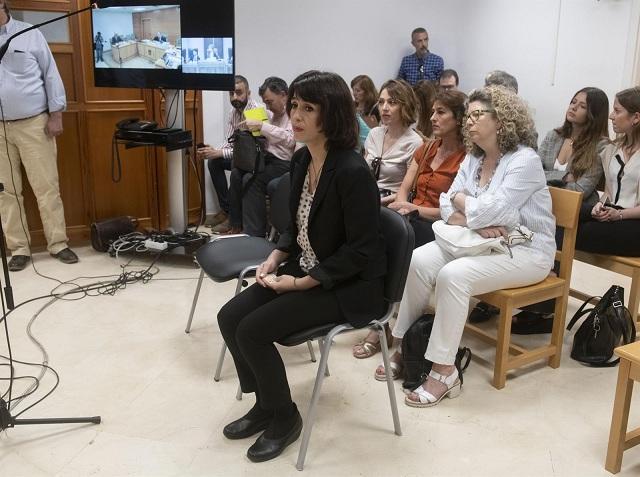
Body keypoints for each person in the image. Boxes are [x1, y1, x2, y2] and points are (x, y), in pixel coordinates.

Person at [217, 70, 386, 462]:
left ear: (334, 115)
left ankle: (286, 418)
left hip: (347, 284)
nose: (295, 115)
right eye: (294, 105)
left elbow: (362, 251)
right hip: (306, 266)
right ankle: (266, 403)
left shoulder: (352, 171)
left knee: (253, 331)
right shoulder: (301, 159)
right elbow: (294, 228)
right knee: (231, 317)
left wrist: (302, 283)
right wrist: (275, 256)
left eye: (308, 108)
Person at [375, 86, 556, 408]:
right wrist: (467, 212)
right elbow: (448, 203)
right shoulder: (475, 157)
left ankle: (444, 371)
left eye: (477, 115)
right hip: (479, 241)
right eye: (468, 115)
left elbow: (487, 212)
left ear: (501, 121)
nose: (468, 122)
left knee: (453, 276)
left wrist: (465, 209)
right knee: (417, 260)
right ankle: (403, 345)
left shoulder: (524, 160)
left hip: (526, 250)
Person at [353, 89, 467, 359]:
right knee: (380, 230)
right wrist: (402, 205)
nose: (433, 118)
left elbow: (454, 212)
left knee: (396, 241)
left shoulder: (466, 158)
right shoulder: (426, 148)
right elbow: (405, 188)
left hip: (440, 223)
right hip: (413, 214)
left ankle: (385, 321)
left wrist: (414, 209)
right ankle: (376, 312)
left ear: (459, 119)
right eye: (433, 111)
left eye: (441, 112)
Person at [0, 0, 79, 271]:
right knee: (6, 192)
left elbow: (51, 75)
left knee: (46, 187)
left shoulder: (30, 32)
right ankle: (19, 249)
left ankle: (58, 244)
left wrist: (56, 114)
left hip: (34, 123)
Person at [576, 86, 640, 256]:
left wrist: (619, 215)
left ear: (635, 118)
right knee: (568, 222)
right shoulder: (611, 149)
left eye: (617, 111)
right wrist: (600, 205)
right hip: (613, 214)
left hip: (633, 221)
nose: (611, 116)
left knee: (579, 232)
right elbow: (608, 193)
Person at [231, 76, 296, 236]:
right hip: (268, 159)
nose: (268, 106)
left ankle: (254, 233)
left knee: (251, 180)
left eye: (270, 101)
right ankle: (237, 225)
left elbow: (289, 140)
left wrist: (262, 126)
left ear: (284, 95)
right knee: (237, 173)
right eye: (266, 102)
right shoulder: (273, 116)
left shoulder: (293, 113)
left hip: (284, 162)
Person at [197, 75, 260, 233]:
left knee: (234, 166)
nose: (235, 97)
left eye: (239, 92)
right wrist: (213, 151)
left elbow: (249, 151)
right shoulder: (234, 111)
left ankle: (233, 217)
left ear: (249, 93)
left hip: (254, 159)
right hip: (241, 156)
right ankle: (226, 210)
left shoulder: (256, 112)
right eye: (231, 93)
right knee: (213, 162)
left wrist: (219, 152)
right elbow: (230, 140)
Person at [539, 87, 609, 215]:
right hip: (543, 205)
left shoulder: (601, 146)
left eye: (582, 106)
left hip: (576, 211)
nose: (573, 107)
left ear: (594, 114)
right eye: (573, 102)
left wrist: (543, 185)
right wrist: (563, 177)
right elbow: (533, 173)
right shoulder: (553, 136)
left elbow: (581, 190)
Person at [363, 79, 423, 205]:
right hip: (367, 194)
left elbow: (410, 191)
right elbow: (362, 171)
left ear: (405, 106)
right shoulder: (374, 134)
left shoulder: (414, 142)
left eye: (392, 102)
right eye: (381, 102)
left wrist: (375, 202)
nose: (384, 108)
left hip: (391, 202)